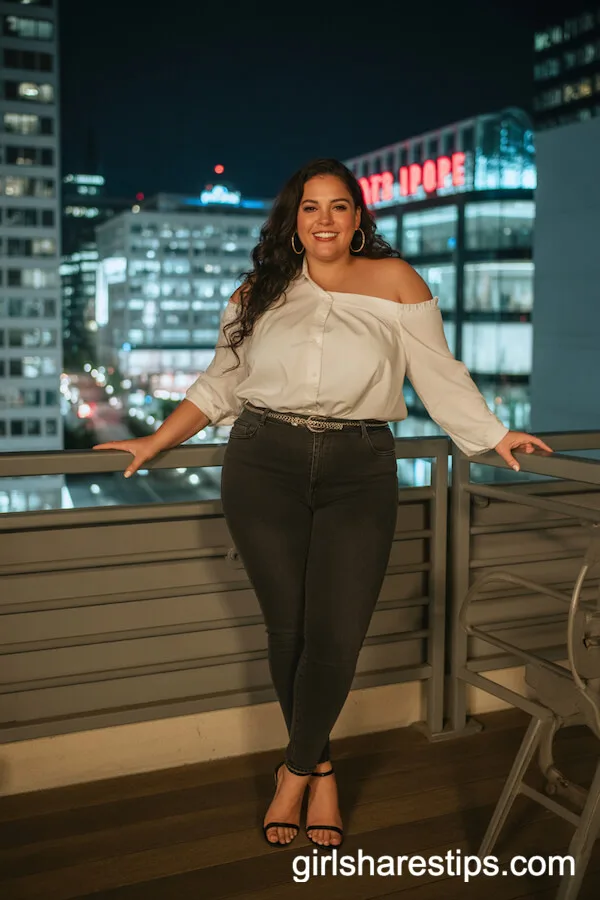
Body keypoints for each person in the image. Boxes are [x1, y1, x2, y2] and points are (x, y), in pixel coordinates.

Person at [93, 158, 552, 850]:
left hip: (359, 468)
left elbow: (439, 375)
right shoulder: (258, 291)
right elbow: (220, 385)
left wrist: (492, 436)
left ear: (360, 217)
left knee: (336, 635)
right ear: (294, 220)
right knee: (290, 631)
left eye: (340, 206)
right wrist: (153, 440)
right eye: (311, 208)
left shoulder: (398, 283)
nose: (326, 219)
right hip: (261, 462)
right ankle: (323, 768)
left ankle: (297, 769)